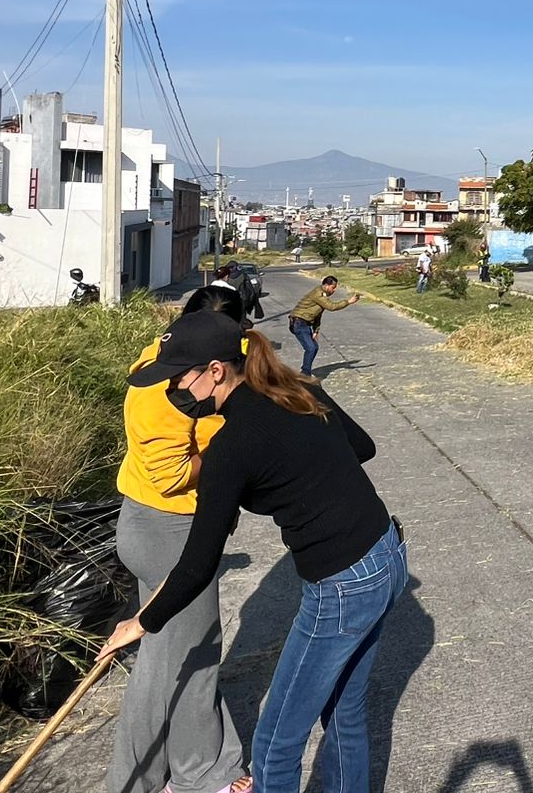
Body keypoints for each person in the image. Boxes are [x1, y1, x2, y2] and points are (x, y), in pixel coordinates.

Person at [99, 311, 406, 793]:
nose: (174, 391)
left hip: (342, 587)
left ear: (215, 371)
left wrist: (141, 622)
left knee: (275, 744)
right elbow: (362, 447)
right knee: (344, 711)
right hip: (387, 554)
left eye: (179, 380)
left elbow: (198, 564)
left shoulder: (230, 448)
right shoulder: (298, 390)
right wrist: (303, 471)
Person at [109, 287, 249, 793]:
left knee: (177, 655)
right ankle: (180, 778)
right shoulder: (162, 389)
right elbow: (170, 476)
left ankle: (186, 769)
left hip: (157, 525)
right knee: (182, 660)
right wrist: (232, 451)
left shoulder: (181, 356)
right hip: (167, 530)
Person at [286, 275, 360, 377]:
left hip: (305, 323)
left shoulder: (322, 295)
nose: (334, 290)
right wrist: (348, 302)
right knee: (311, 348)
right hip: (298, 322)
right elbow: (331, 307)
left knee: (314, 347)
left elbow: (317, 314)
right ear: (326, 285)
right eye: (333, 287)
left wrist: (316, 330)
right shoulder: (318, 294)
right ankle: (305, 374)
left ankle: (305, 371)